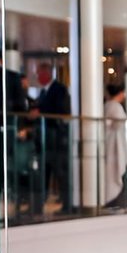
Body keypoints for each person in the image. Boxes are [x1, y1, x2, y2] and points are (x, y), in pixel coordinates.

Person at [35, 62, 71, 213]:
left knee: (60, 174)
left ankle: (67, 205)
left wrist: (40, 112)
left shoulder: (59, 89)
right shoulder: (43, 92)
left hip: (56, 139)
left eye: (39, 73)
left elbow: (60, 110)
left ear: (46, 74)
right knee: (44, 173)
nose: (37, 77)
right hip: (45, 140)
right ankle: (37, 206)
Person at [103, 83, 127, 207]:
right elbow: (117, 124)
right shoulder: (115, 107)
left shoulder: (107, 106)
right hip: (114, 147)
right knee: (113, 175)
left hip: (109, 145)